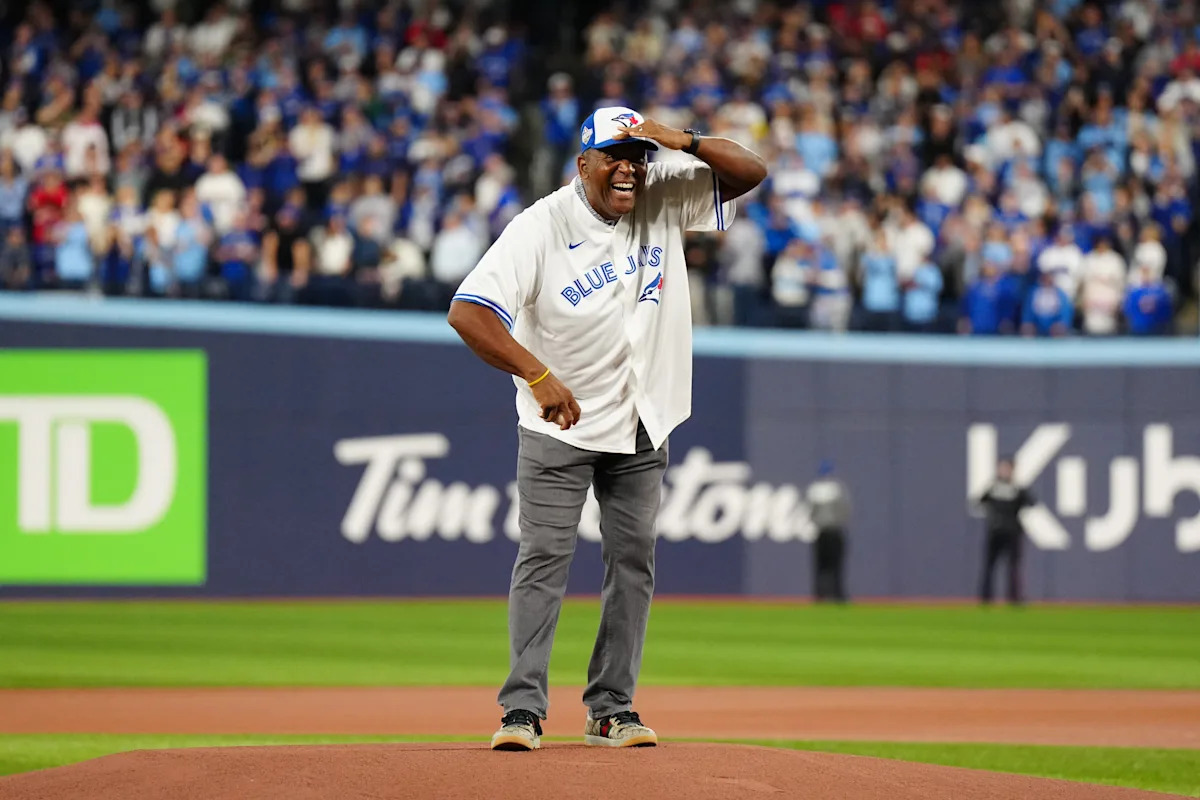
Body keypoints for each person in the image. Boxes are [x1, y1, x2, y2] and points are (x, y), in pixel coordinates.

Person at [447, 107, 765, 751]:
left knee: (633, 562)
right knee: (543, 560)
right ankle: (522, 711)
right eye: (615, 154)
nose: (629, 166)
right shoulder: (539, 227)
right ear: (583, 163)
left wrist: (682, 141)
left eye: (638, 155)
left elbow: (750, 172)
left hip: (644, 420)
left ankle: (611, 709)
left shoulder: (661, 194)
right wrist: (537, 376)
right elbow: (469, 313)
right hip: (559, 427)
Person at [975, 456, 1035, 605]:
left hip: (1012, 532)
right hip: (996, 532)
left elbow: (1031, 502)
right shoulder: (994, 488)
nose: (1004, 471)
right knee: (990, 566)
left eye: (1007, 468)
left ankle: (1013, 598)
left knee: (1013, 567)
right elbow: (979, 501)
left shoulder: (1015, 489)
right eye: (1002, 468)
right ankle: (986, 598)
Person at [806, 459, 851, 602]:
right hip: (834, 531)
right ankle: (837, 595)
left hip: (821, 532)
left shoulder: (814, 490)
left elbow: (811, 513)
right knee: (835, 566)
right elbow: (845, 511)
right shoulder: (837, 489)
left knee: (821, 566)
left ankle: (820, 595)